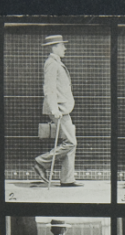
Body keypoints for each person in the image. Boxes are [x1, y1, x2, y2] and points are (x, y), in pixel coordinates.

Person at [33, 35, 83, 187]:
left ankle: (67, 179)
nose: (65, 48)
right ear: (54, 47)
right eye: (62, 46)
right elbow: (49, 88)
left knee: (69, 142)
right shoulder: (51, 64)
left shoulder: (56, 63)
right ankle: (41, 162)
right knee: (71, 142)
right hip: (58, 109)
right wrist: (54, 109)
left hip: (63, 109)